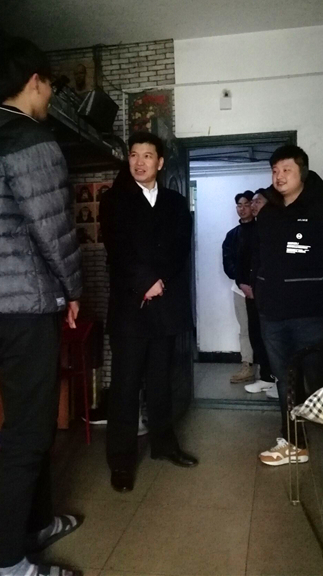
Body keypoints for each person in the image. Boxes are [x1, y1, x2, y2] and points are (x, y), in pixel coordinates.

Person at [0, 36, 84, 576]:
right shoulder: (32, 141)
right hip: (26, 305)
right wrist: (74, 290)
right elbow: (54, 229)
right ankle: (10, 564)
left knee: (28, 425)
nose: (50, 96)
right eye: (49, 86)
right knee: (28, 434)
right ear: (35, 81)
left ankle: (36, 524)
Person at [255, 145, 323, 496]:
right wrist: (260, 294)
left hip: (310, 314)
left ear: (302, 171)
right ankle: (294, 442)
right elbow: (261, 258)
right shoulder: (268, 213)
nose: (279, 176)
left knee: (320, 382)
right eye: (274, 170)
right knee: (285, 383)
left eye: (286, 169)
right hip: (273, 315)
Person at [100, 131, 198, 493]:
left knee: (161, 382)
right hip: (131, 307)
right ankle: (121, 462)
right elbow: (117, 249)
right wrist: (145, 281)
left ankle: (164, 445)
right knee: (125, 386)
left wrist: (161, 280)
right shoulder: (113, 199)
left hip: (166, 304)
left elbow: (181, 247)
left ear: (160, 162)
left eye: (147, 155)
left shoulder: (175, 201)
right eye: (134, 155)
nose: (139, 162)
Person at [244, 188, 278, 397]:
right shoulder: (252, 228)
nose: (253, 205)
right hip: (251, 291)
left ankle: (275, 379)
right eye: (253, 202)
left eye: (258, 202)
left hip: (267, 292)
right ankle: (266, 377)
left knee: (270, 338)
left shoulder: (274, 228)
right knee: (257, 336)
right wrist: (244, 283)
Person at [222, 191, 256, 384]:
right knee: (245, 328)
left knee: (265, 328)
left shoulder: (263, 230)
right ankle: (247, 365)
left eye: (246, 204)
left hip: (262, 289)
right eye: (239, 205)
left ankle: (268, 369)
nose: (242, 209)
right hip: (239, 289)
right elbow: (228, 264)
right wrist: (242, 283)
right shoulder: (232, 235)